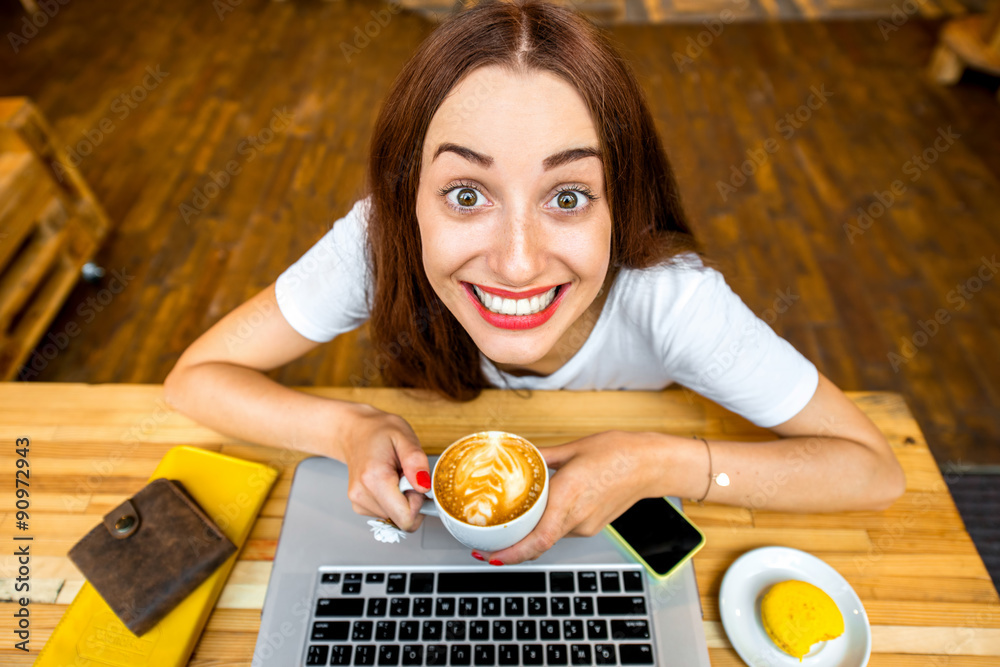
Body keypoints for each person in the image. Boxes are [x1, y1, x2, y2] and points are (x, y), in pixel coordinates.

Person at [164, 0, 905, 567]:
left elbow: (871, 469)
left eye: (569, 196)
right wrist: (344, 429)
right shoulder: (376, 242)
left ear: (624, 202)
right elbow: (195, 380)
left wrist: (662, 462)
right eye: (464, 194)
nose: (517, 264)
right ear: (404, 197)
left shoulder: (676, 301)